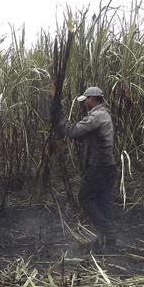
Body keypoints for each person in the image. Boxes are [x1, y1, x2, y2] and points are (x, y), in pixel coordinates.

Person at [50, 86, 118, 251]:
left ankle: (109, 234)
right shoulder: (104, 114)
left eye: (85, 100)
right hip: (108, 167)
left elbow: (74, 131)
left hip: (99, 168)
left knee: (85, 198)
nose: (84, 103)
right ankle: (106, 241)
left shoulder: (97, 116)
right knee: (102, 202)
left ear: (92, 99)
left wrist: (59, 116)